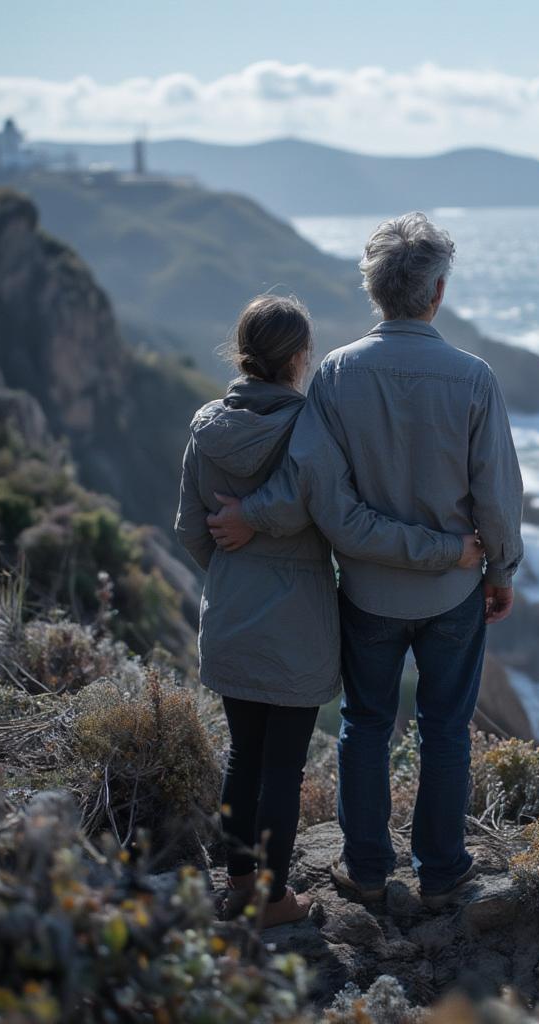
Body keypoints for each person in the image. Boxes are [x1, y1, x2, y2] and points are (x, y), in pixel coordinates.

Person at [208, 213, 524, 909]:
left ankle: (367, 869)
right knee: (446, 729)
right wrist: (498, 570)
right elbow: (498, 496)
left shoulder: (336, 376)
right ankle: (441, 870)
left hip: (368, 593)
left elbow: (322, 499)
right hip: (451, 590)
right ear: (436, 293)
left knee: (365, 725)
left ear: (374, 291)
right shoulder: (474, 378)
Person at [175, 294, 483, 928]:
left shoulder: (205, 427)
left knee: (242, 755)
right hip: (298, 623)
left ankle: (239, 885)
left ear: (241, 351)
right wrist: (449, 551)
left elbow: (190, 530)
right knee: (283, 767)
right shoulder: (307, 424)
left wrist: (238, 571)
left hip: (231, 613)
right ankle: (274, 897)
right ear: (298, 357)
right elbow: (325, 513)